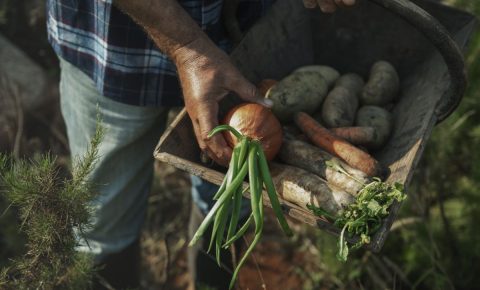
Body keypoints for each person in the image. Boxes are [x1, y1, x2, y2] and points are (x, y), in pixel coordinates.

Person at [46, 0, 356, 288]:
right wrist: (187, 46)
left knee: (227, 205)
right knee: (102, 220)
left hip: (242, 42)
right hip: (112, 46)